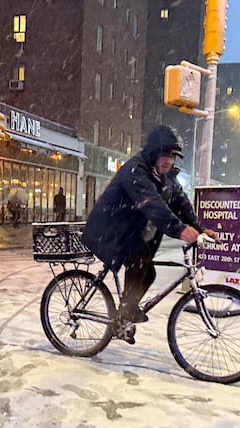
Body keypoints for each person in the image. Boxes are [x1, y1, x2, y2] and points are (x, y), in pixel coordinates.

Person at [83, 125, 216, 342]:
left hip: (127, 232)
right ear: (153, 152)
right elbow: (151, 204)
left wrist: (199, 228)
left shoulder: (167, 177)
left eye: (172, 156)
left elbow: (181, 204)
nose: (168, 160)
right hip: (106, 231)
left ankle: (123, 318)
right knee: (140, 255)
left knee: (149, 272)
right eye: (164, 154)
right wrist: (179, 230)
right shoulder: (135, 170)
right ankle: (127, 308)